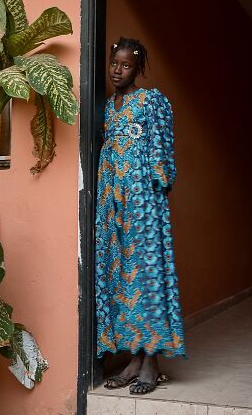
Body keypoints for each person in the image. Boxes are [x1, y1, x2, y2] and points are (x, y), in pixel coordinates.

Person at [95, 37, 186, 395]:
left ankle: (152, 363)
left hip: (144, 205)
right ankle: (134, 359)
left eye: (126, 65)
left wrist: (151, 192)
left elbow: (163, 150)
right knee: (120, 279)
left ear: (138, 68)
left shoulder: (152, 101)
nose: (118, 71)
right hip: (111, 203)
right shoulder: (108, 107)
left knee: (147, 279)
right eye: (114, 64)